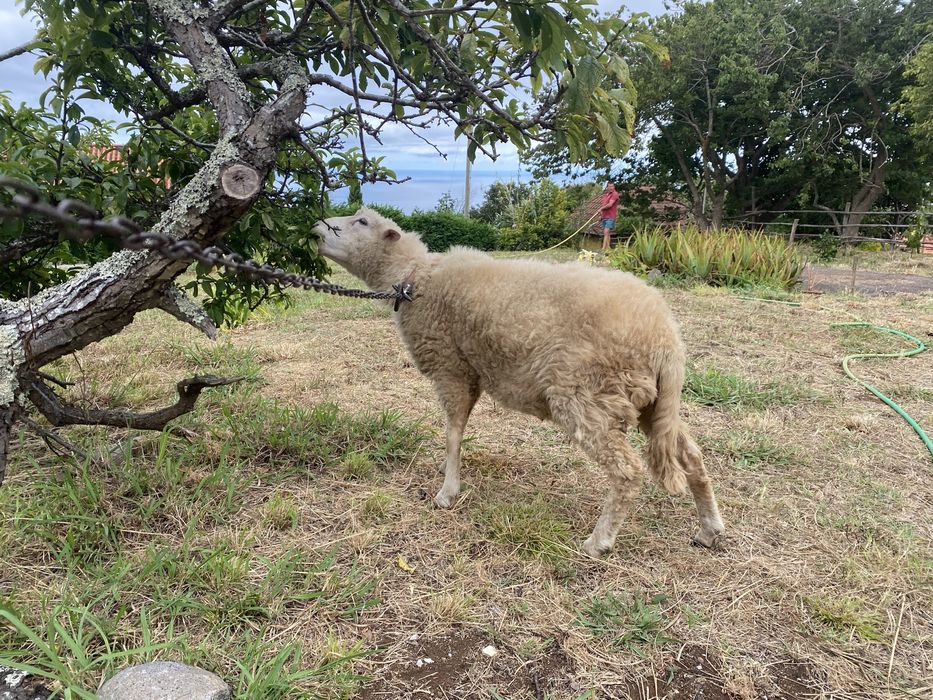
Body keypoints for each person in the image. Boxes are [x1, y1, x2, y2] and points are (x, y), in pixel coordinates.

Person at [599, 181, 619, 251]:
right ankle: (608, 248)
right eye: (609, 186)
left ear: (614, 187)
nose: (611, 188)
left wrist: (601, 208)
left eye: (612, 186)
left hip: (610, 216)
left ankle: (603, 249)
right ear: (607, 187)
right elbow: (604, 205)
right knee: (608, 234)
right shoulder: (606, 195)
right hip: (604, 216)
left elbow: (610, 205)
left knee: (606, 232)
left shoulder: (615, 194)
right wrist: (601, 214)